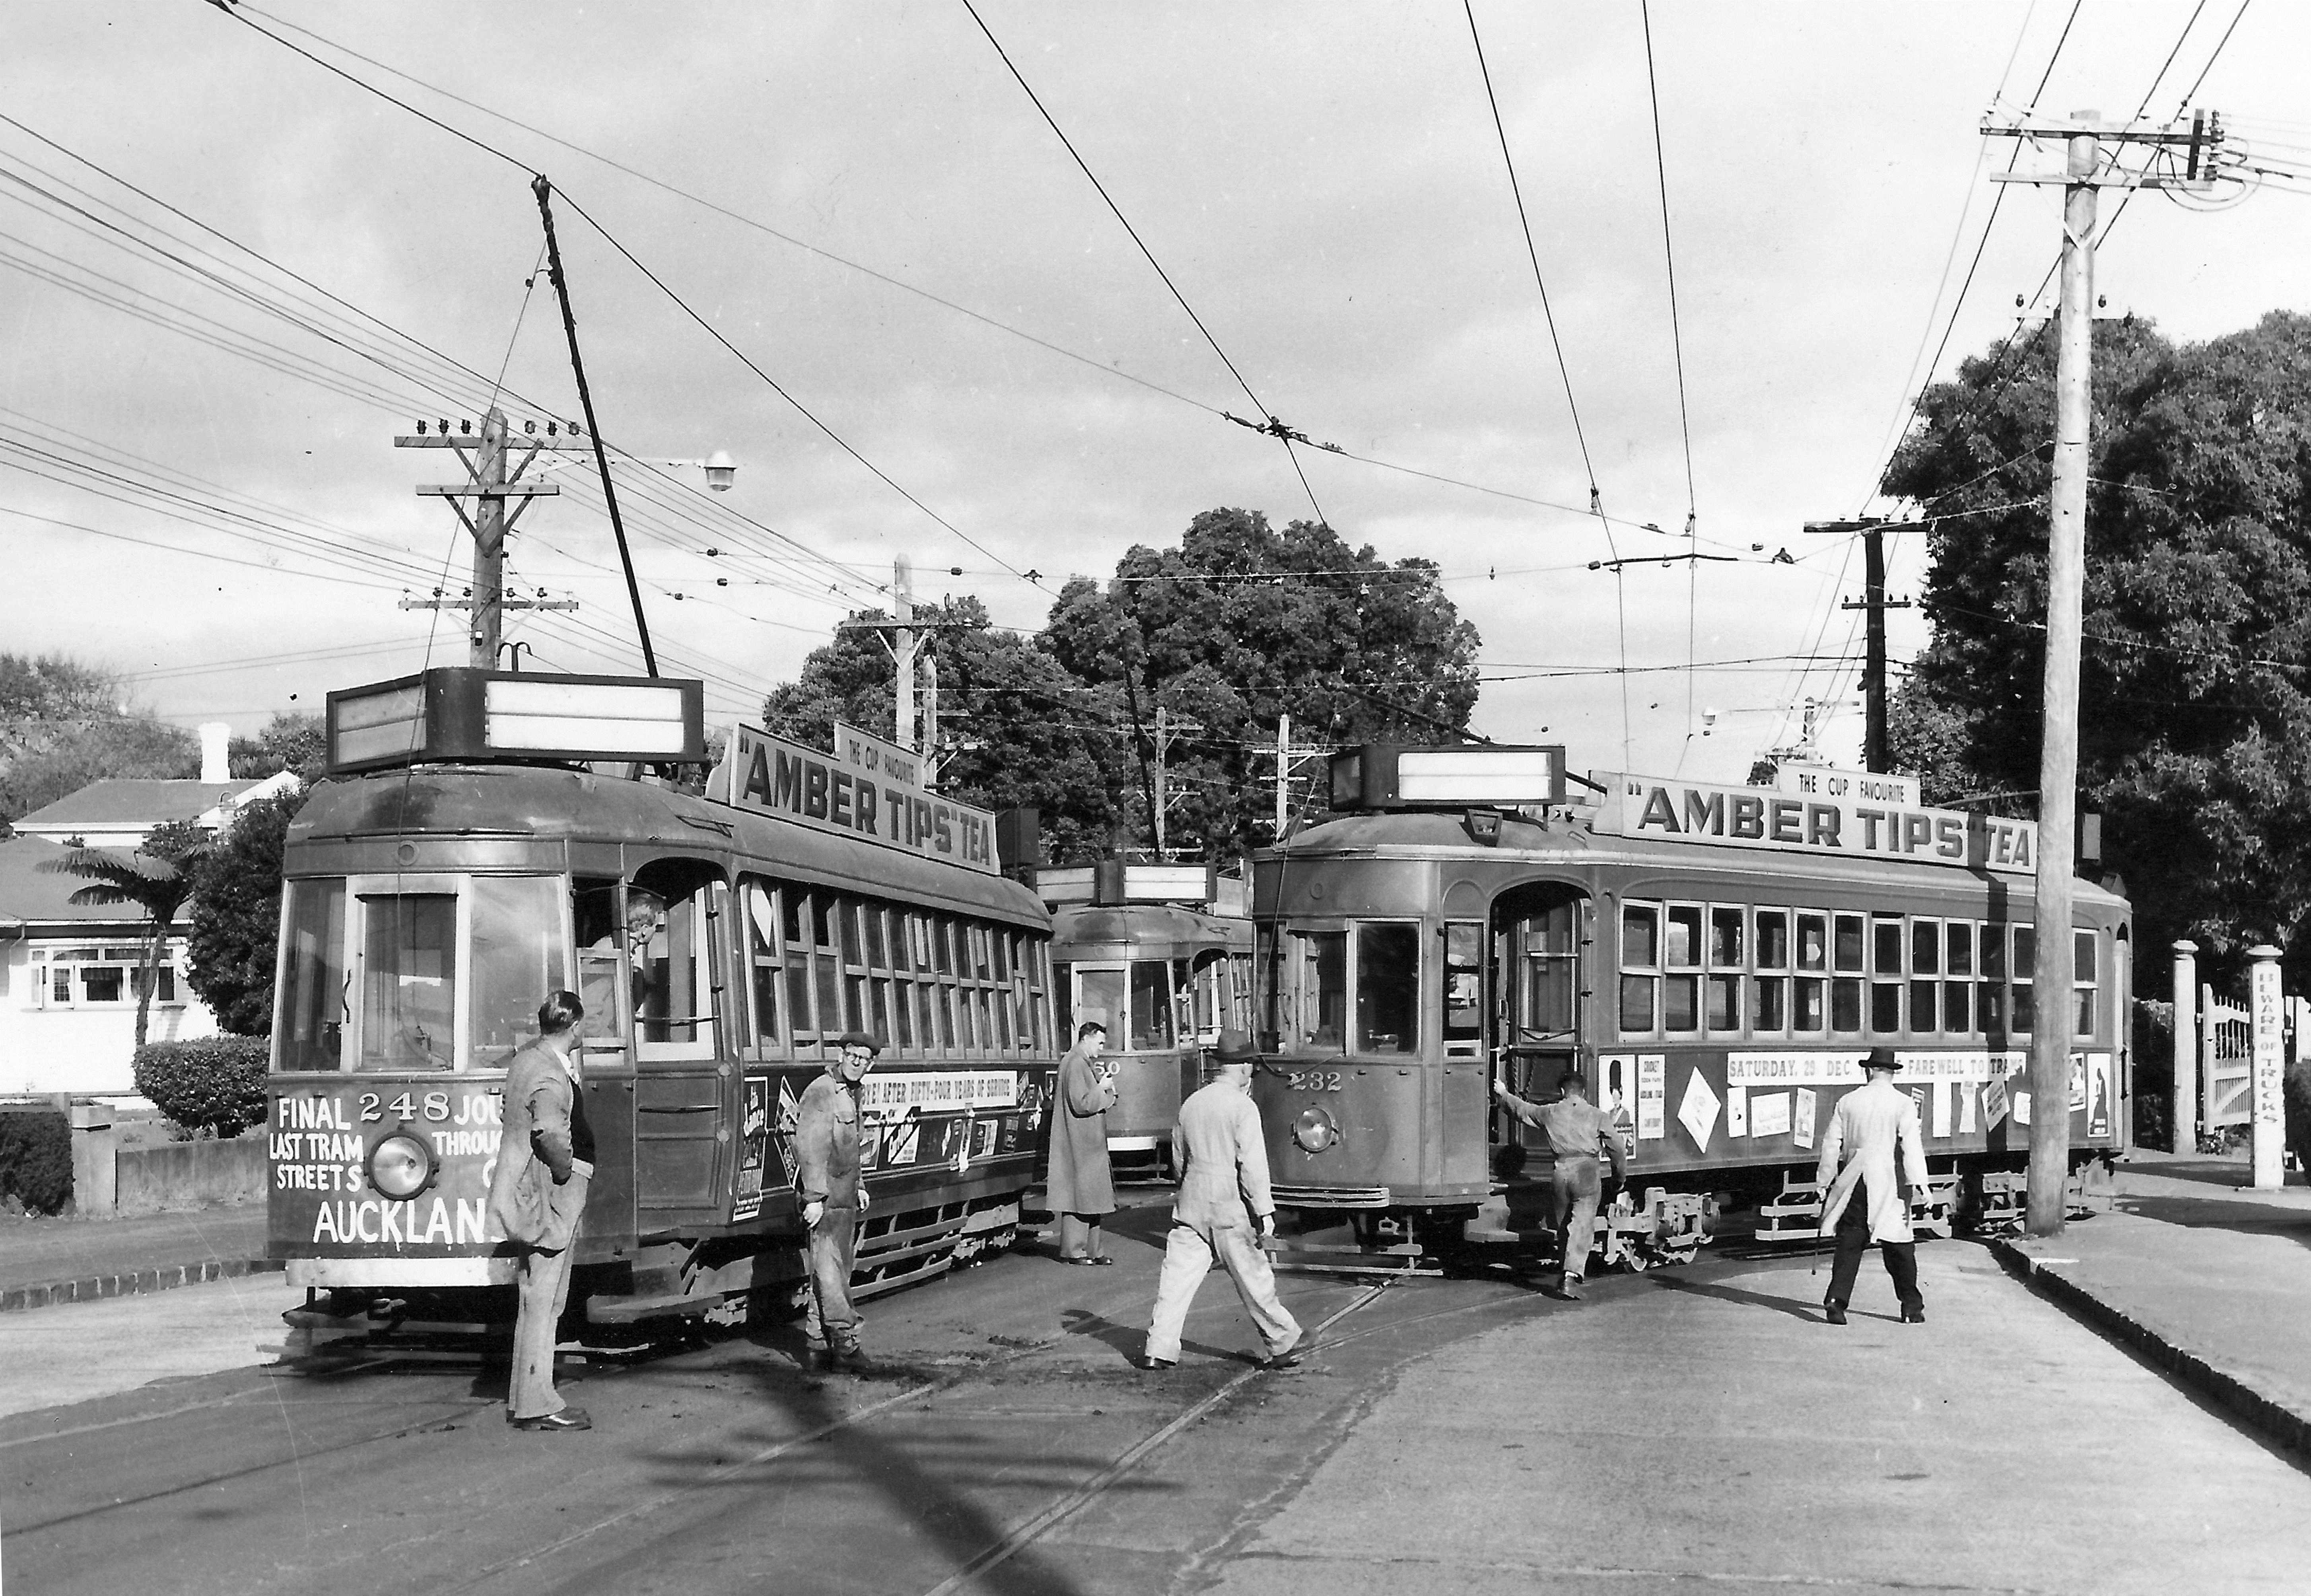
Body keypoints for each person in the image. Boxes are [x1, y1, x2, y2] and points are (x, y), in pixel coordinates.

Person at [1141, 1030, 1303, 1371]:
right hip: (1229, 1203)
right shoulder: (1243, 1107)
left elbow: (1178, 1158)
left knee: (1176, 1281)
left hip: (1192, 1200)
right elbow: (1252, 1165)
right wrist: (1264, 1211)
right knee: (1253, 1277)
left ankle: (1158, 1348)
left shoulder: (1192, 1103)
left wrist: (1188, 1189)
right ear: (1243, 1067)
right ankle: (1283, 1343)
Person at [487, 990, 595, 1433]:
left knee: (536, 1294)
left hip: (526, 1185)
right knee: (546, 1299)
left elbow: (506, 1111)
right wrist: (567, 1168)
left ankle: (529, 1396)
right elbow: (551, 1130)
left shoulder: (525, 1059)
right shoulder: (551, 1074)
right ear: (576, 1027)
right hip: (552, 1189)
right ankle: (538, 1403)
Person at [1492, 1065, 1628, 1299]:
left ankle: (1565, 1268)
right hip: (1587, 1171)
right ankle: (1570, 1276)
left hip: (1560, 1172)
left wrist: (1504, 1095)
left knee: (1564, 1224)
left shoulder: (1552, 1112)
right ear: (1583, 1093)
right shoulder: (1598, 1116)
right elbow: (1617, 1148)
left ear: (1563, 1092)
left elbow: (1523, 1110)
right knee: (1582, 1223)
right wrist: (1618, 1179)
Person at [1817, 1047, 1930, 1326]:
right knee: (1899, 1247)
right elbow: (1910, 1147)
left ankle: (1835, 1302)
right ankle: (1910, 1308)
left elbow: (1831, 1144)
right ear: (1892, 1072)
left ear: (1869, 1070)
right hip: (1888, 1183)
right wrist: (1921, 1183)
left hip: (1854, 1181)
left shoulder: (1848, 1101)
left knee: (1850, 1243)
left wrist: (1824, 1181)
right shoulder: (1903, 1103)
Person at [796, 1030, 879, 1371]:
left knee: (833, 1270)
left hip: (844, 1198)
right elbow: (811, 1149)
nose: (856, 1063)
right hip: (825, 1200)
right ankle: (847, 1344)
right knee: (831, 1274)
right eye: (851, 1055)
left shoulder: (852, 1093)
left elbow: (851, 1147)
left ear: (871, 1064)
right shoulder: (821, 1091)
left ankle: (817, 1345)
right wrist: (813, 1198)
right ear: (842, 1055)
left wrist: (859, 1185)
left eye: (863, 1059)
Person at [1047, 1021, 1119, 1264]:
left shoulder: (1078, 1061)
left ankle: (1092, 1251)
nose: (1101, 1049)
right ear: (1087, 1037)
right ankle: (1074, 1251)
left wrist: (1107, 1092)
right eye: (1099, 1043)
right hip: (1080, 1144)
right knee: (1079, 1199)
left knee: (1092, 1198)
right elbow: (1082, 1104)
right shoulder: (1076, 1063)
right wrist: (1102, 1088)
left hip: (1087, 1144)